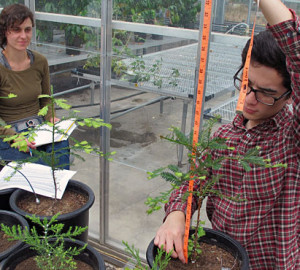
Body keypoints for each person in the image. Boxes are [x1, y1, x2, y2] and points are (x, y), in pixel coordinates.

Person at [154, 0, 299, 269]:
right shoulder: (225, 135)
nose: (249, 99)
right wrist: (176, 214)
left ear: (290, 94)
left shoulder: (292, 137)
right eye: (246, 83)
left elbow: (297, 51)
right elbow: (192, 183)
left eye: (266, 93)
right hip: (220, 257)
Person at [0, 3, 70, 170]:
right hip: (9, 133)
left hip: (40, 129)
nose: (23, 35)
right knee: (39, 169)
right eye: (16, 30)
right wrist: (14, 137)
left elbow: (46, 99)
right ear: (4, 32)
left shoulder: (39, 61)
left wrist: (51, 118)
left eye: (28, 29)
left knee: (60, 160)